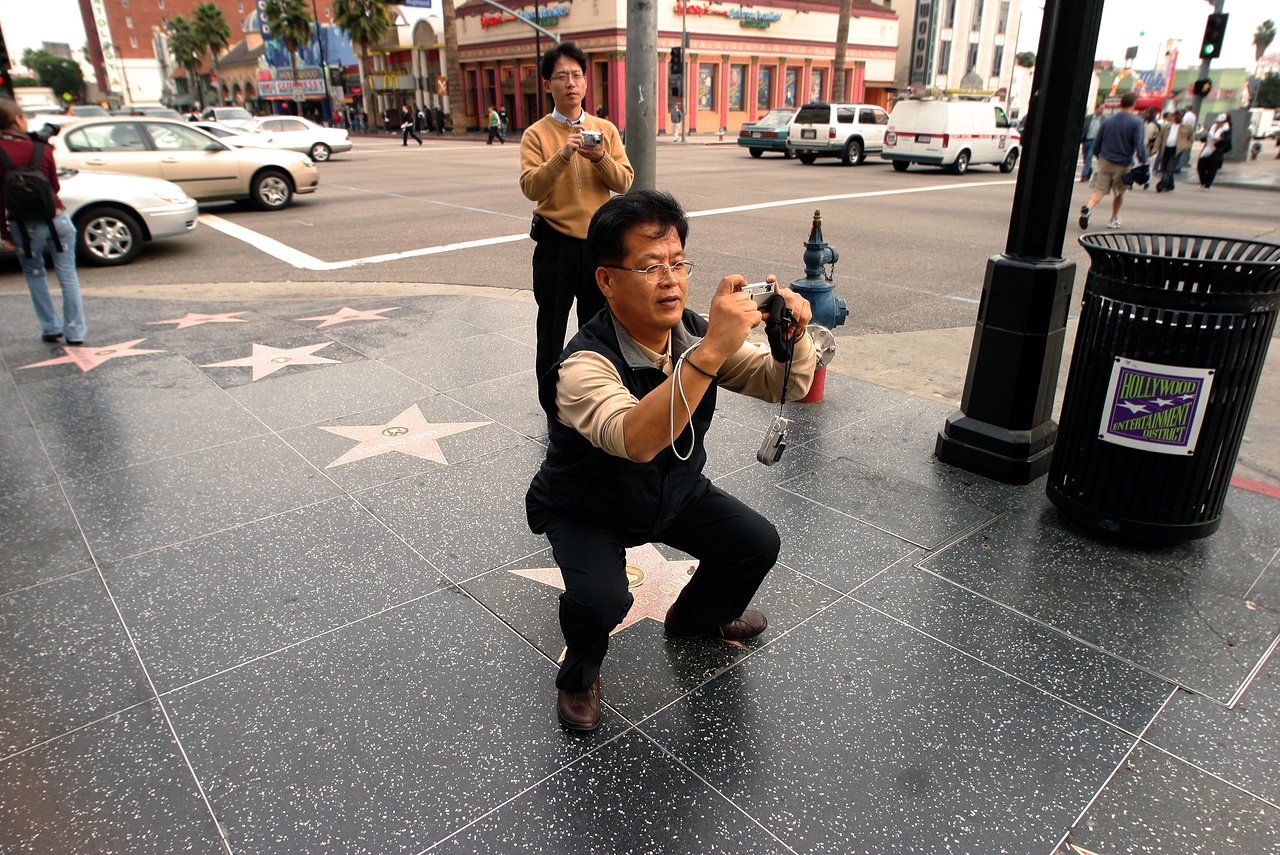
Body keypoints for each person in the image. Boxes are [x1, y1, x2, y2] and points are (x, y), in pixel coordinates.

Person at [525, 189, 818, 731]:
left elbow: (782, 383)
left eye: (678, 263)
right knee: (600, 600)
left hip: (674, 490)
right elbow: (634, 439)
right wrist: (710, 352)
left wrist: (791, 339)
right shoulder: (582, 364)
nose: (671, 280)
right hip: (588, 505)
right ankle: (579, 675)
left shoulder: (694, 333)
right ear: (607, 280)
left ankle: (694, 618)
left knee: (755, 543)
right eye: (649, 266)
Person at [519, 41, 634, 380]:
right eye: (561, 77)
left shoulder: (606, 130)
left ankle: (591, 390)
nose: (570, 83)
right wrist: (562, 156)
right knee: (551, 326)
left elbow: (625, 181)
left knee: (597, 325)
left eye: (576, 75)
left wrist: (600, 157)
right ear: (547, 84)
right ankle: (550, 396)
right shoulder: (536, 134)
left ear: (585, 82)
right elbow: (531, 188)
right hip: (556, 245)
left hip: (597, 246)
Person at [0, 99, 87, 346]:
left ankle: (51, 327)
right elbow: (54, 186)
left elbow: (0, 199)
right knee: (67, 274)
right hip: (55, 218)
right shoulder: (41, 149)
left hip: (23, 226)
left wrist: (5, 233)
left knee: (34, 273)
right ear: (17, 120)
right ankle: (75, 331)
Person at [1079, 91, 1148, 230]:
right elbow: (1139, 144)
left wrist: (1098, 154)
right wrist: (1144, 160)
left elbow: (1098, 140)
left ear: (1121, 103)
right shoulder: (1137, 122)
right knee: (1120, 192)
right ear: (1133, 104)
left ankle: (1089, 207)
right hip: (1123, 162)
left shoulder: (1108, 120)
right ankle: (1113, 218)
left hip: (1105, 160)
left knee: (1099, 190)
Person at [1156, 110, 1192, 192]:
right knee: (1164, 167)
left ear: (1182, 116)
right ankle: (1170, 184)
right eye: (1175, 115)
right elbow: (1160, 137)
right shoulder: (1167, 126)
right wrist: (1156, 148)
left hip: (1176, 150)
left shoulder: (1187, 127)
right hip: (1166, 148)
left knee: (1170, 167)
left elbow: (1191, 138)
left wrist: (1185, 146)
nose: (1176, 117)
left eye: (1178, 115)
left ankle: (1162, 184)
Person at [1197, 113, 1233, 190]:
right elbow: (1203, 139)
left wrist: (1219, 141)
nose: (1218, 124)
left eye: (1221, 122)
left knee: (1211, 170)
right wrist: (1203, 137)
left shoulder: (1226, 131)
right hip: (1206, 150)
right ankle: (1203, 183)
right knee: (1200, 168)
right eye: (1217, 122)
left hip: (1216, 152)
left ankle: (1207, 185)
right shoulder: (1211, 129)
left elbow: (1227, 144)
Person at [1080, 103, 1104, 180]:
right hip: (1086, 140)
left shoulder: (1103, 119)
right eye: (1100, 108)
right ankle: (1089, 171)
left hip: (1095, 141)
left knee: (1089, 157)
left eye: (1103, 109)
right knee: (1085, 157)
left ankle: (1084, 175)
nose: (1102, 110)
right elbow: (1083, 128)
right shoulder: (1088, 118)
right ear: (1096, 108)